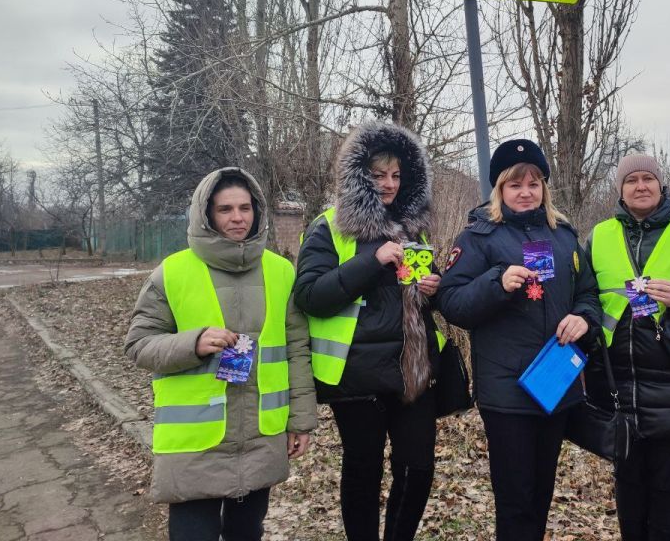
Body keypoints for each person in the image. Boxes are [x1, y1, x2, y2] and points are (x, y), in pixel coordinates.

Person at [125, 168, 316, 541]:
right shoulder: (173, 272)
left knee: (247, 534)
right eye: (225, 209)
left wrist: (301, 421)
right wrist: (192, 343)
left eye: (245, 208)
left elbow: (296, 349)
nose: (237, 218)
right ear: (206, 214)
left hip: (260, 435)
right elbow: (138, 344)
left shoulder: (281, 272)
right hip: (195, 443)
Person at [438, 139, 601, 541]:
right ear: (499, 190)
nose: (526, 192)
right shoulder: (479, 237)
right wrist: (498, 281)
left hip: (556, 382)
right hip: (507, 390)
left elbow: (588, 293)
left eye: (534, 183)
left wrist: (584, 319)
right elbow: (451, 302)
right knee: (514, 499)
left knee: (541, 496)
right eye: (515, 185)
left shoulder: (562, 236)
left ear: (544, 187)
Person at [293, 121, 442, 541]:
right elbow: (309, 296)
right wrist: (372, 260)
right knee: (364, 470)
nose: (389, 184)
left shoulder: (416, 228)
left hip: (412, 370)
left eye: (397, 175)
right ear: (358, 175)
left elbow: (420, 295)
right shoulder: (329, 226)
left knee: (418, 467)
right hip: (356, 374)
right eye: (379, 175)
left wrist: (434, 285)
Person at [583, 154, 670, 541]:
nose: (640, 186)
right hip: (618, 380)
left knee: (666, 482)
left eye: (648, 179)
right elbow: (584, 298)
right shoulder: (598, 236)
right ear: (620, 189)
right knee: (627, 481)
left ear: (661, 185)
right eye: (632, 180)